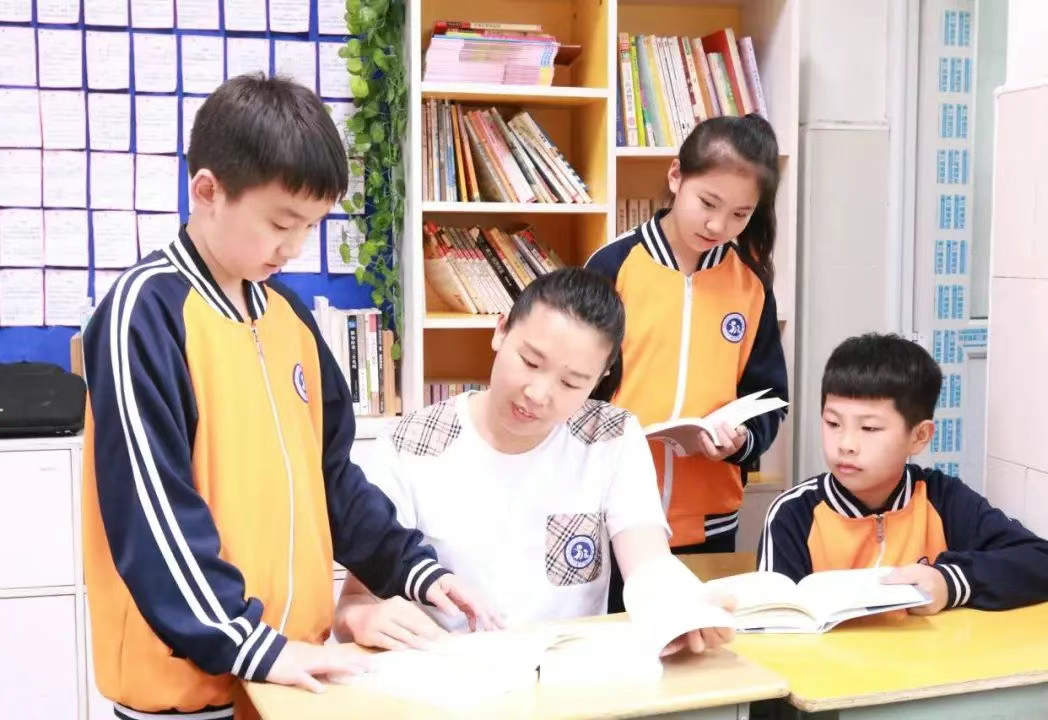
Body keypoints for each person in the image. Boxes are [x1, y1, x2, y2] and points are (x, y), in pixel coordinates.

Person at [81, 74, 495, 720]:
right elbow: (153, 513)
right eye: (280, 223)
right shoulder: (145, 312)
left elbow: (332, 479)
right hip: (192, 693)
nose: (295, 247)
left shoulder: (288, 316)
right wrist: (250, 645)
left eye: (310, 226)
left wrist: (415, 568)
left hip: (290, 676)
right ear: (208, 192)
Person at [333, 267, 733, 656]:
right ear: (501, 330)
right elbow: (353, 603)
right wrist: (363, 618)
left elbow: (647, 563)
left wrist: (680, 604)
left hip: (568, 678)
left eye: (571, 383)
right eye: (530, 362)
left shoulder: (611, 436)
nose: (538, 394)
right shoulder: (410, 444)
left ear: (599, 379)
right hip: (448, 676)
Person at [587, 115, 789, 611]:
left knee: (701, 643)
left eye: (740, 214)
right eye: (708, 203)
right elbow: (576, 385)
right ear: (676, 176)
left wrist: (742, 440)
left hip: (710, 520)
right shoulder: (613, 266)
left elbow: (768, 396)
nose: (718, 226)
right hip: (615, 515)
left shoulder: (750, 285)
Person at [758, 333, 1048, 613]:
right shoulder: (793, 514)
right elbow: (772, 623)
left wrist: (948, 583)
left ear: (919, 436)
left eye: (869, 428)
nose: (846, 444)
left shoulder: (943, 499)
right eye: (833, 423)